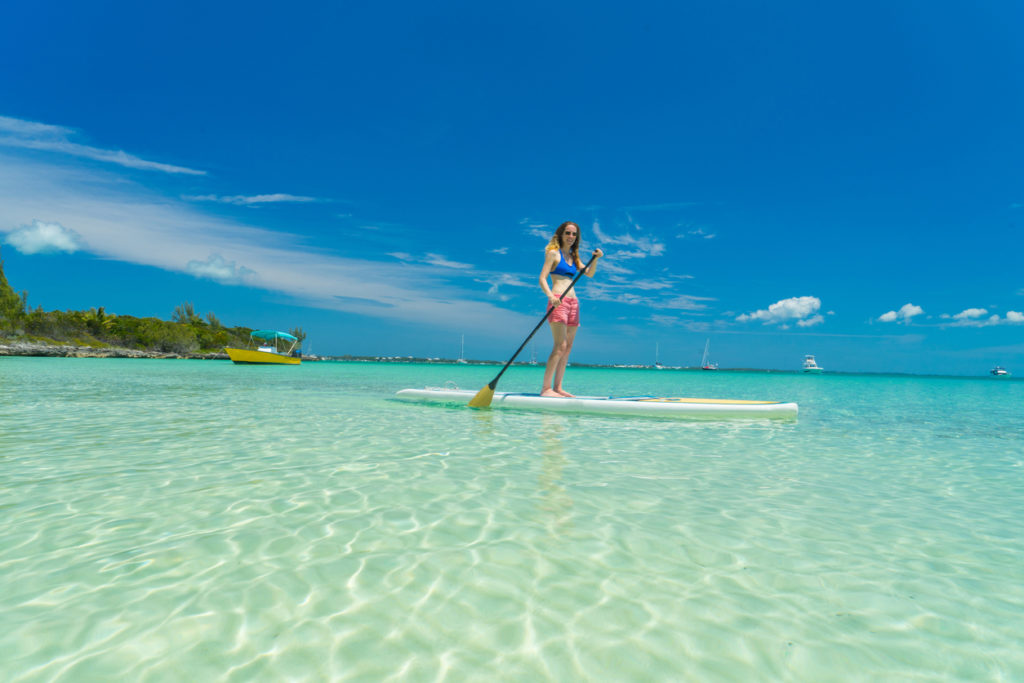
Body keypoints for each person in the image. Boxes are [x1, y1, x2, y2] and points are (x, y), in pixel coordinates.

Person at [538, 221, 603, 397]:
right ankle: (546, 389)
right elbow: (542, 278)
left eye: (574, 234)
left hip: (574, 303)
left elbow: (589, 273)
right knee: (560, 345)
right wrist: (551, 297)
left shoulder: (574, 257)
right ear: (561, 234)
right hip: (558, 300)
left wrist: (596, 259)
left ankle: (557, 387)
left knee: (568, 347)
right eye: (568, 233)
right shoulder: (553, 254)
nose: (571, 237)